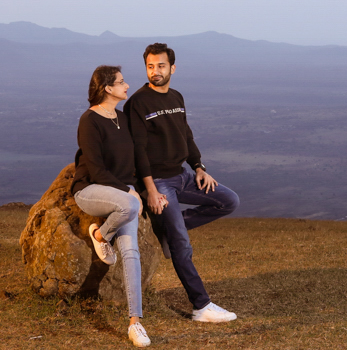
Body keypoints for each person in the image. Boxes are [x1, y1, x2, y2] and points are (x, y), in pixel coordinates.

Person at [125, 43, 239, 323]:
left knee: (228, 200)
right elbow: (138, 150)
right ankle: (201, 306)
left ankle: (168, 229)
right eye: (150, 66)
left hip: (184, 176)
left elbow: (186, 136)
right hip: (160, 182)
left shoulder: (176, 97)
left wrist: (199, 167)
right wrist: (150, 190)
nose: (155, 72)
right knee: (182, 246)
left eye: (161, 66)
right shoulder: (138, 103)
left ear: (172, 68)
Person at [72, 65, 152, 348]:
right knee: (130, 205)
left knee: (131, 252)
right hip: (91, 190)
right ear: (107, 88)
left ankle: (135, 323)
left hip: (122, 197)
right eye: (121, 82)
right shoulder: (89, 120)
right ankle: (100, 235)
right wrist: (130, 191)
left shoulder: (121, 118)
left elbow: (135, 159)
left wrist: (143, 189)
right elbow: (95, 170)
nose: (127, 85)